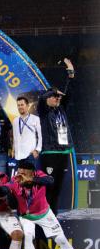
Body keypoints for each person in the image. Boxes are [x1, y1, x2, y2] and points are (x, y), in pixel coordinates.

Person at [1, 160, 89, 249]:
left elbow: (50, 181)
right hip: (26, 217)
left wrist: (31, 180)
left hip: (44, 214)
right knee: (27, 236)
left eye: (23, 173)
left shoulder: (39, 175)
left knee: (61, 240)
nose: (19, 175)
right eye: (18, 172)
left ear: (31, 173)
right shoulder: (15, 180)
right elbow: (3, 190)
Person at [38, 58, 76, 213]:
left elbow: (69, 92)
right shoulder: (43, 110)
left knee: (59, 184)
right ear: (49, 98)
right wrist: (54, 91)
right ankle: (46, 212)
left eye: (58, 97)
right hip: (50, 153)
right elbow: (42, 97)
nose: (58, 98)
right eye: (55, 97)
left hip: (64, 152)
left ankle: (53, 212)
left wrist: (70, 73)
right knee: (49, 184)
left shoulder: (61, 109)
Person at [12, 96, 42, 164]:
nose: (20, 107)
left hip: (30, 155)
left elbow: (41, 136)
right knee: (19, 175)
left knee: (31, 174)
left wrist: (37, 150)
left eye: (22, 105)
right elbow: (15, 137)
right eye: (18, 105)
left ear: (27, 105)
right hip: (18, 155)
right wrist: (13, 150)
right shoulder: (15, 120)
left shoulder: (35, 119)